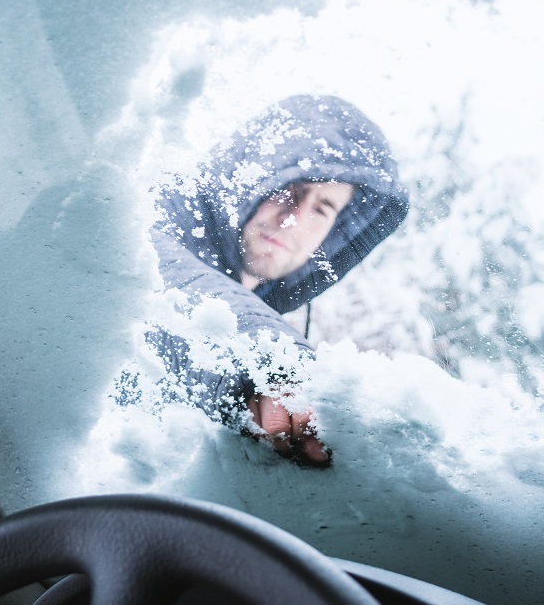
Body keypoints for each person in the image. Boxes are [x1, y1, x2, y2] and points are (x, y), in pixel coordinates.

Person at [146, 94, 409, 466]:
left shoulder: (256, 305)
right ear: (251, 173)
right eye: (290, 189)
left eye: (321, 208)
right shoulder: (161, 209)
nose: (294, 220)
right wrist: (272, 364)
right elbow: (154, 273)